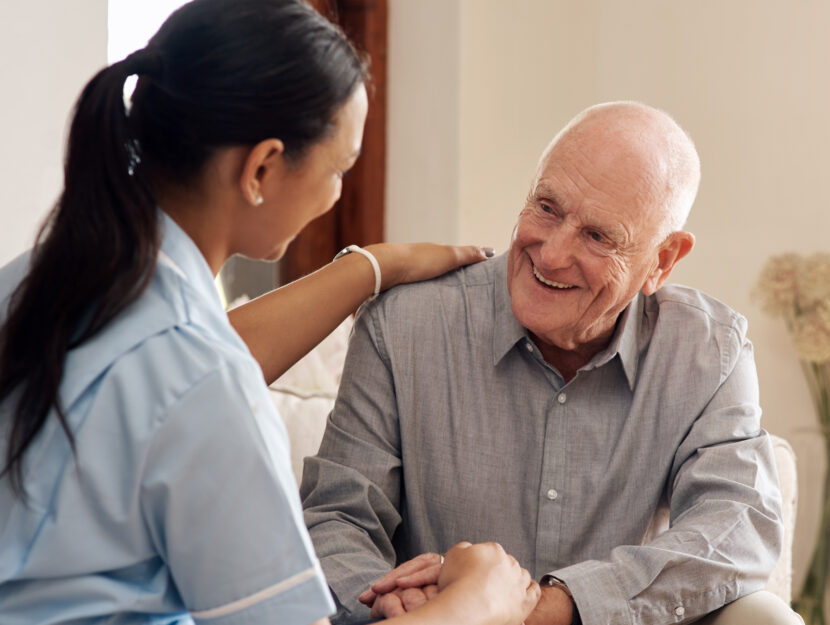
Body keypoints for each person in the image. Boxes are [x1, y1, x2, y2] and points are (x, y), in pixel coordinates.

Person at [0, 1, 540, 624]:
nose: (337, 192)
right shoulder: (200, 375)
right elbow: (197, 381)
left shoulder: (41, 280)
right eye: (339, 168)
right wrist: (480, 601)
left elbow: (177, 377)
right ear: (261, 168)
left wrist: (375, 266)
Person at [301, 102, 802, 624]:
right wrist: (403, 606)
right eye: (547, 208)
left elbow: (738, 525)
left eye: (597, 236)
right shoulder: (405, 322)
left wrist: (543, 609)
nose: (552, 254)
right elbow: (338, 516)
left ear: (662, 260)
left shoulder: (707, 351)